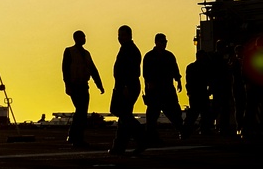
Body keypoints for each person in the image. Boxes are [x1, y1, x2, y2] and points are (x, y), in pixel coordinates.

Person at [61, 30, 105, 147]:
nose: (84, 39)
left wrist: (99, 84)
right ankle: (76, 138)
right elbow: (65, 70)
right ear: (76, 38)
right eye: (82, 37)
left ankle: (73, 135)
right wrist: (67, 85)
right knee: (80, 111)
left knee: (81, 112)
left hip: (84, 86)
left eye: (84, 37)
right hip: (74, 85)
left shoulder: (86, 54)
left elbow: (93, 69)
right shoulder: (69, 51)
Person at [142, 33, 184, 143]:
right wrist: (149, 84)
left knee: (175, 111)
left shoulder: (169, 56)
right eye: (162, 41)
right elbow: (145, 73)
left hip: (167, 88)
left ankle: (182, 130)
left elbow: (175, 69)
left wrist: (178, 81)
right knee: (152, 114)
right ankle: (150, 135)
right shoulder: (149, 56)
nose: (164, 44)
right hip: (154, 89)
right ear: (156, 42)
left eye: (165, 41)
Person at [109, 25, 145, 155]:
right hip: (124, 85)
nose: (120, 38)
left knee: (124, 115)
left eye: (123, 35)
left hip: (127, 86)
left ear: (129, 35)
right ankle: (119, 146)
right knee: (123, 116)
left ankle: (141, 138)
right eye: (119, 35)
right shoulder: (126, 49)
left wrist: (125, 86)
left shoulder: (130, 50)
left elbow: (131, 71)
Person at [183, 50, 211, 137]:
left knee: (199, 112)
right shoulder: (203, 67)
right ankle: (189, 129)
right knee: (197, 112)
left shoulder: (192, 67)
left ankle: (188, 129)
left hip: (198, 92)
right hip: (198, 92)